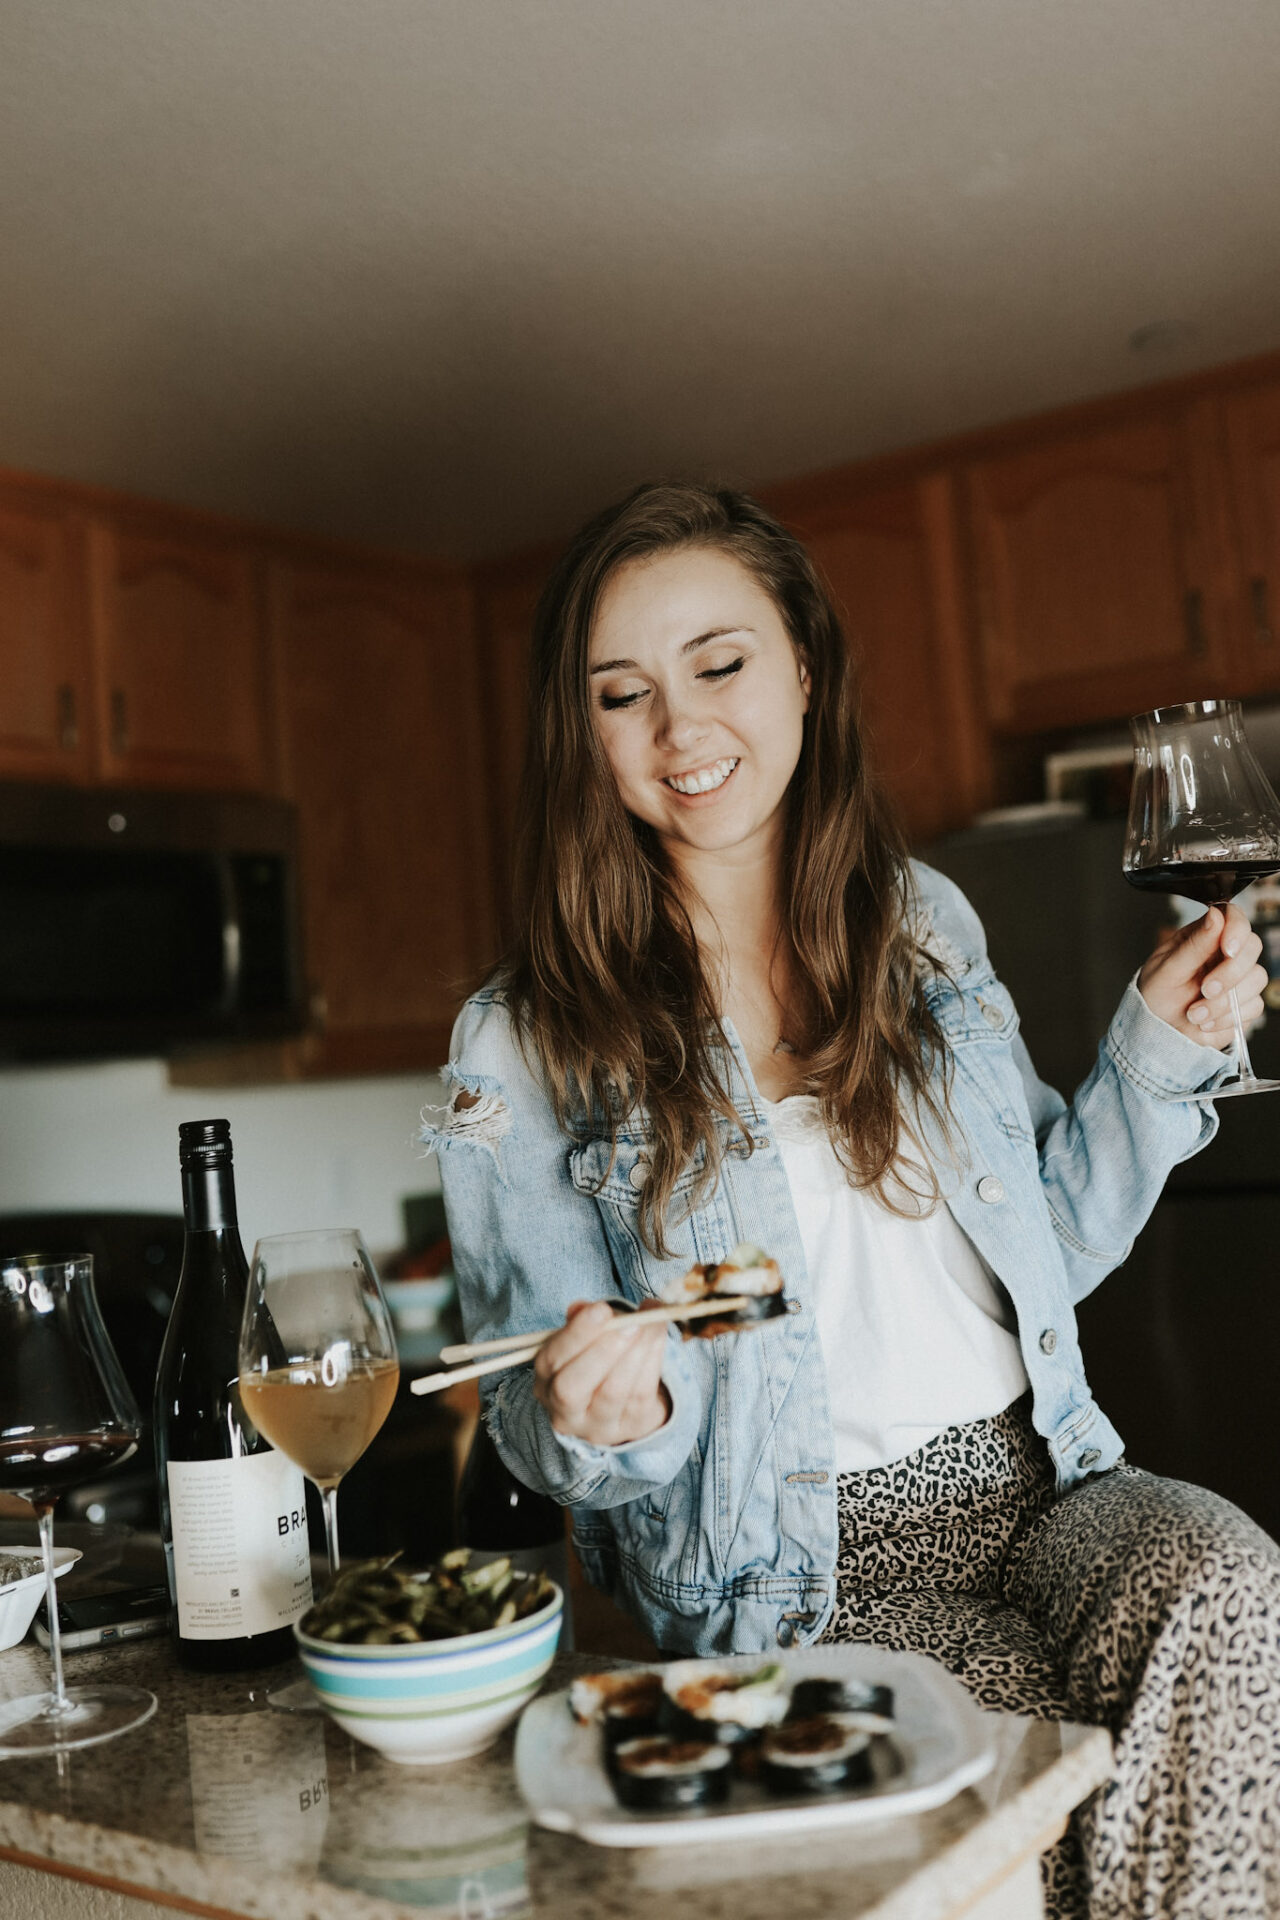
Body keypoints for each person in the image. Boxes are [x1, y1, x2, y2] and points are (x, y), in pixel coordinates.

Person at [421, 481, 1280, 1919]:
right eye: (622, 693)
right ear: (585, 735)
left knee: (1230, 1580)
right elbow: (531, 1412)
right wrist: (595, 1414)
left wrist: (1160, 1048)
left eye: (721, 663)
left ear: (804, 668)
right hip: (795, 1577)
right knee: (1010, 1761)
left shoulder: (922, 919)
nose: (681, 727)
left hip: (1042, 1485)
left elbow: (1054, 1236)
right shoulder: (522, 1038)